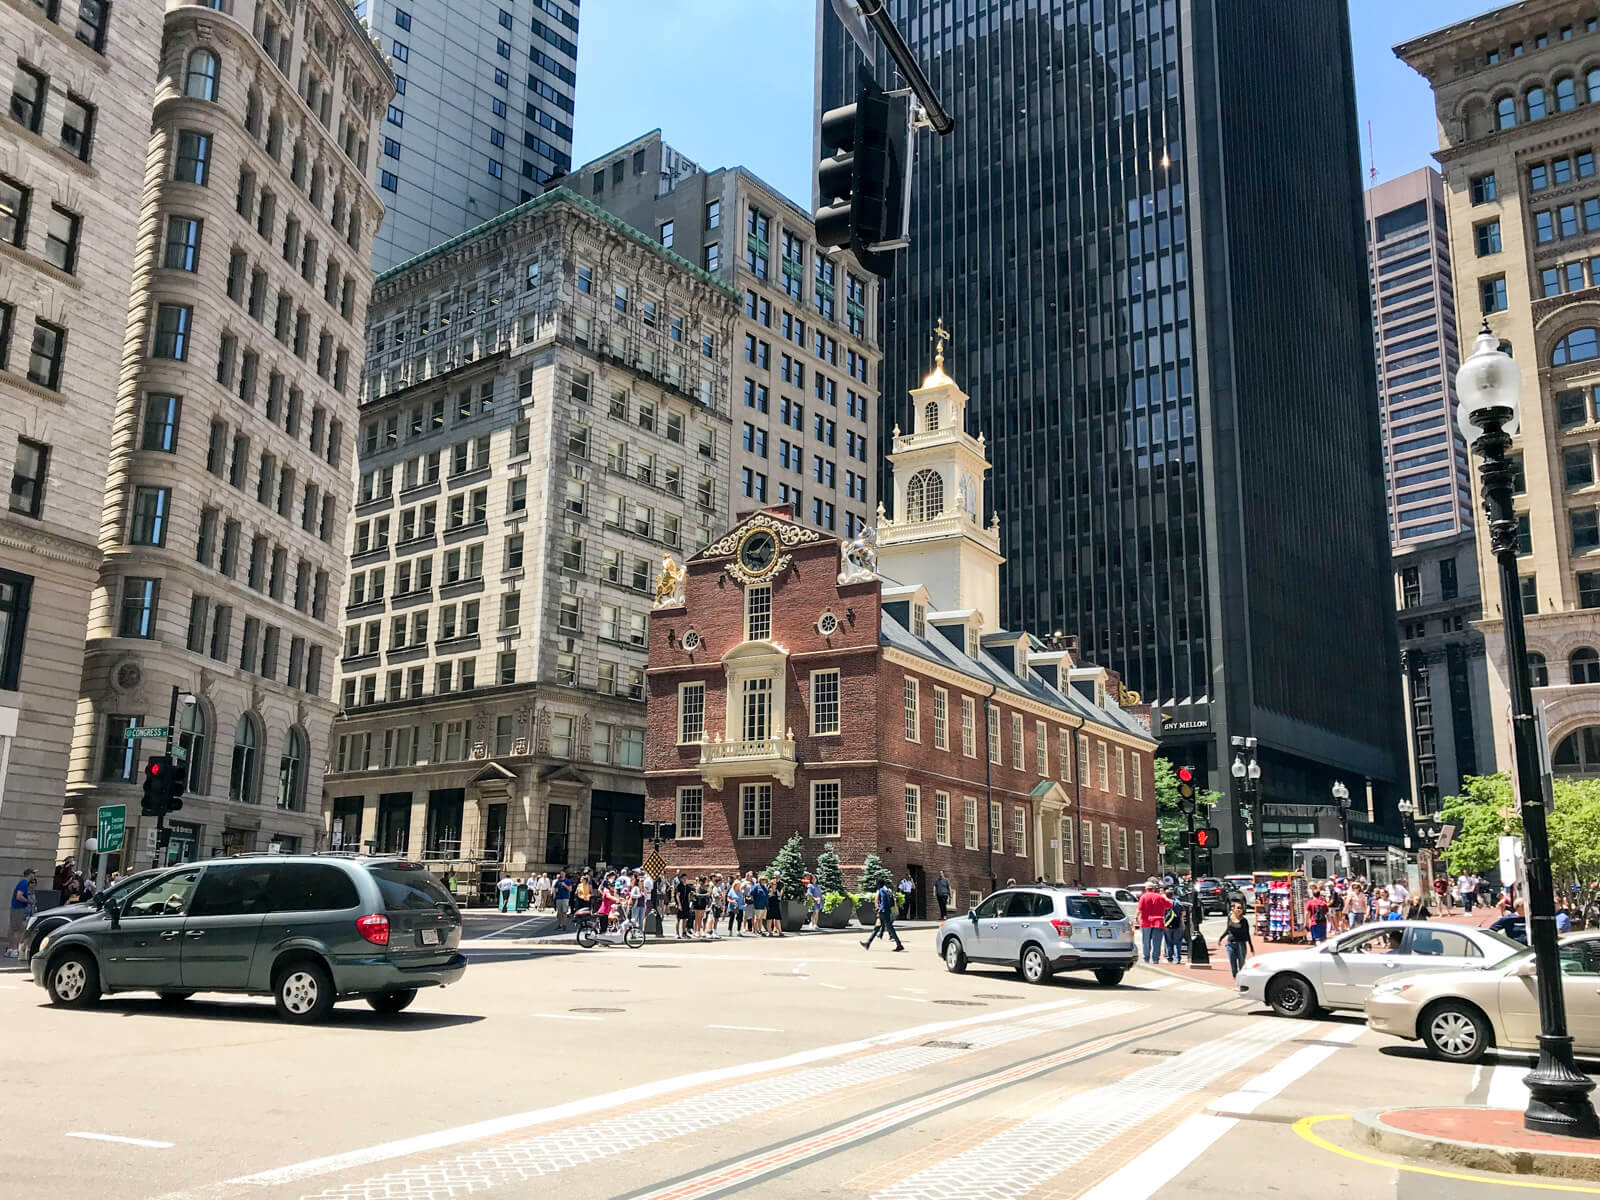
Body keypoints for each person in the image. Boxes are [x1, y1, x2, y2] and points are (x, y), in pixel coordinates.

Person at [861, 877, 905, 951]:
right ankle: (868, 943)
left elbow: (884, 901)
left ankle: (899, 945)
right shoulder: (885, 890)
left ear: (879, 884)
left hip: (884, 912)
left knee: (889, 928)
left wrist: (880, 910)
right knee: (877, 928)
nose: (876, 884)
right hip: (885, 912)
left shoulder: (882, 890)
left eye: (876, 883)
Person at [1136, 882, 1171, 964]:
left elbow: (1139, 909)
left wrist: (1136, 918)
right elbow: (1169, 905)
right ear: (1154, 888)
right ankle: (1155, 959)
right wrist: (1164, 895)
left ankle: (1146, 958)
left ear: (1146, 888)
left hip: (1146, 922)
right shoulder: (1159, 897)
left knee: (1146, 941)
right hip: (1158, 921)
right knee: (1157, 942)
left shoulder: (1143, 897)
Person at [1218, 901, 1255, 978]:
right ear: (1233, 909)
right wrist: (1221, 938)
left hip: (1240, 944)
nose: (1239, 910)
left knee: (1241, 964)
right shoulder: (1230, 917)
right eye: (1238, 908)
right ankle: (1235, 979)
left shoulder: (1244, 921)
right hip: (1230, 944)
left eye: (1241, 908)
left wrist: (1251, 947)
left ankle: (1241, 982)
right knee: (1233, 963)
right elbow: (1228, 929)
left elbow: (1247, 934)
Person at [7, 868, 36, 958]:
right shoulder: (24, 883)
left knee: (13, 929)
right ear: (30, 874)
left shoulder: (21, 883)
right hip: (19, 908)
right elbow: (19, 896)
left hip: (15, 908)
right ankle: (14, 950)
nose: (34, 875)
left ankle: (10, 949)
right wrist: (29, 901)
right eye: (33, 873)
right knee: (17, 930)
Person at [1162, 890, 1184, 963]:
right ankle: (1177, 958)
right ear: (1173, 895)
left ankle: (1169, 957)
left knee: (1168, 941)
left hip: (1167, 924)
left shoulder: (1163, 903)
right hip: (1178, 924)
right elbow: (1183, 913)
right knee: (1177, 942)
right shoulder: (1177, 902)